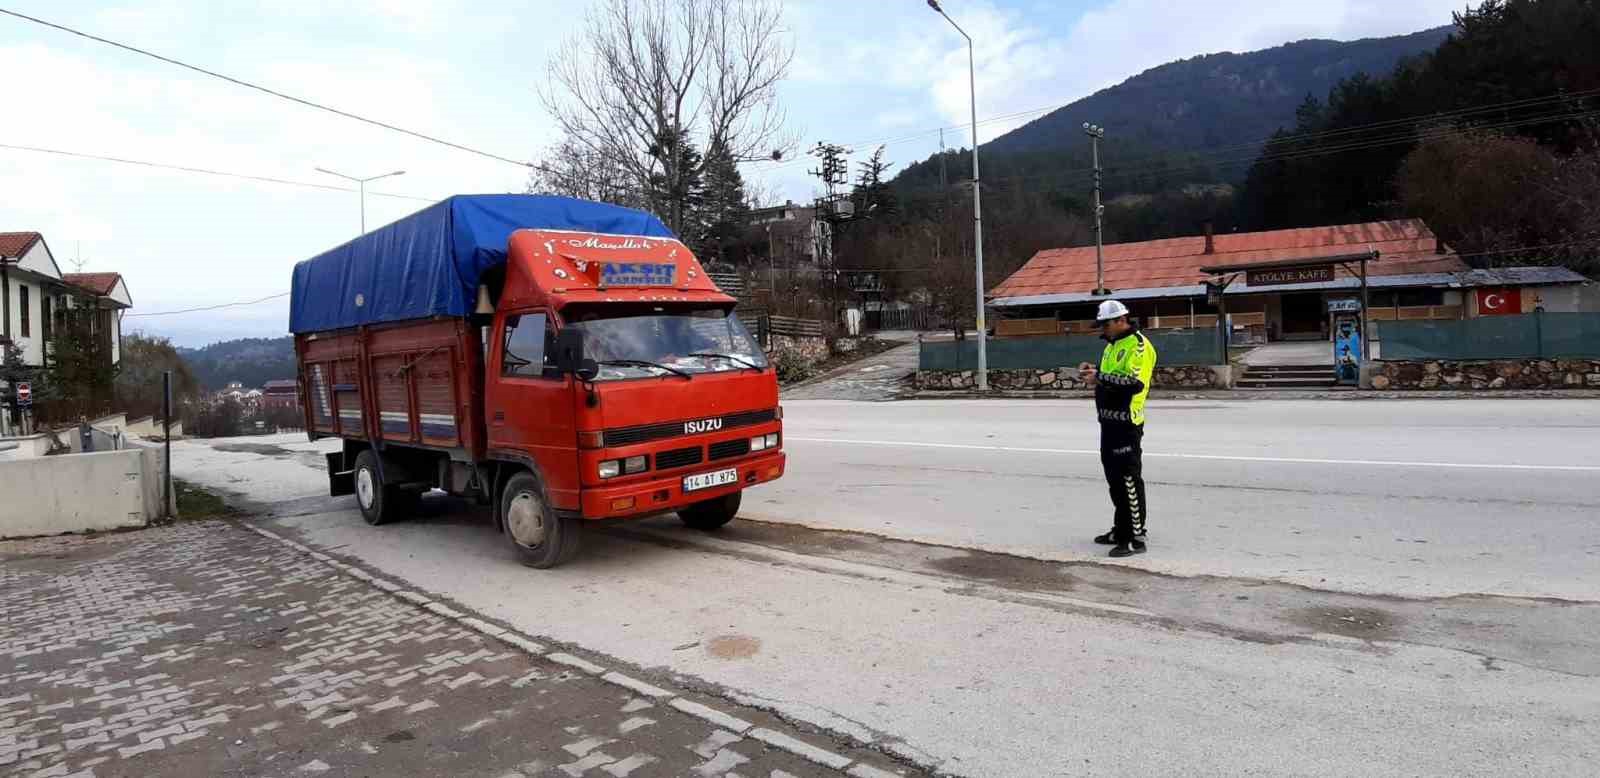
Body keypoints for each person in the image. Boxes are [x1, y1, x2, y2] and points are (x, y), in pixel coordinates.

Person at [1078, 300, 1157, 558]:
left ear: (1120, 320)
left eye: (1105, 324)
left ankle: (1135, 536)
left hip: (1126, 423)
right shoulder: (1111, 347)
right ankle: (1120, 528)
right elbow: (1111, 376)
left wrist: (1099, 377)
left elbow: (1133, 383)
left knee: (1128, 480)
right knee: (1114, 480)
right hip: (1108, 422)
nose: (1102, 329)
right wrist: (1094, 371)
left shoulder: (1139, 346)